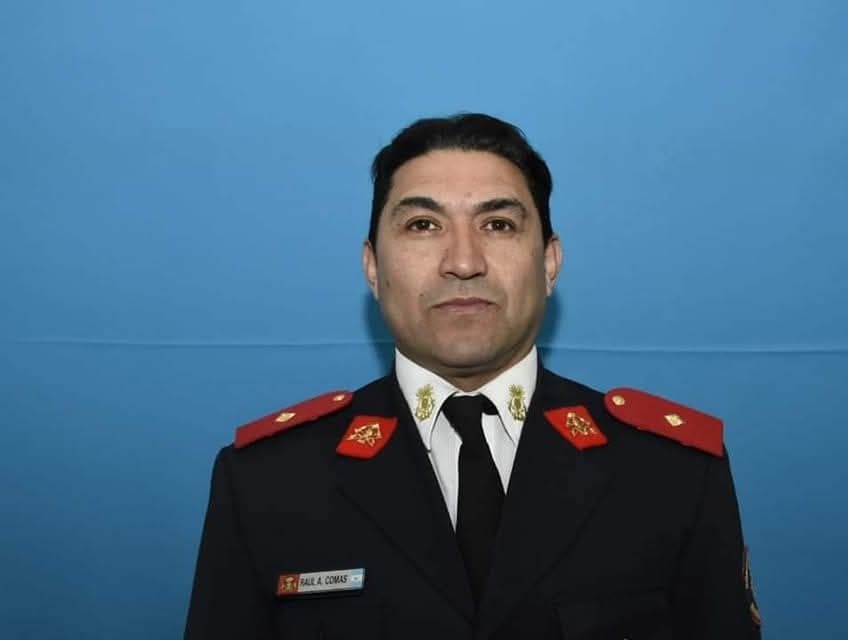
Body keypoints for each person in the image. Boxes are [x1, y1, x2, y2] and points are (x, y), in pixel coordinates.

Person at [184, 113, 761, 639]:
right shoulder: (266, 482)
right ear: (372, 267)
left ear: (550, 263)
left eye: (499, 224)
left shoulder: (672, 473)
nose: (463, 262)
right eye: (422, 225)